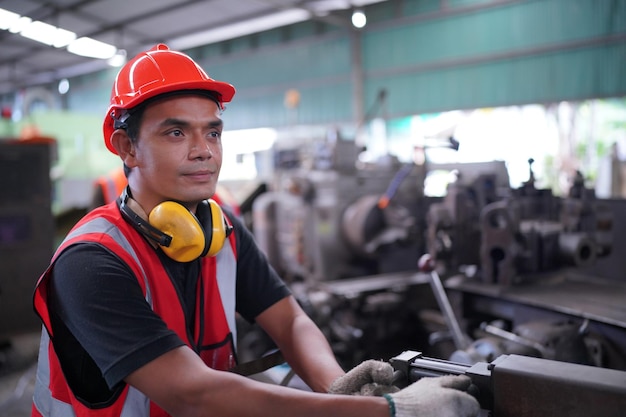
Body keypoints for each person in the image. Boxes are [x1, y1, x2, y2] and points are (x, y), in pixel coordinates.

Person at [31, 43, 480, 417]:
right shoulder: (90, 262)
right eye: (175, 133)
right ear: (127, 146)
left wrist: (335, 384)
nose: (203, 151)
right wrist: (386, 411)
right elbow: (191, 395)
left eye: (213, 133)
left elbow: (289, 319)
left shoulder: (221, 232)